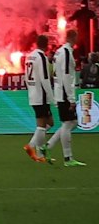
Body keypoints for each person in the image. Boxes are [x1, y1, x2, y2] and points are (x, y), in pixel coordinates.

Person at [51, 35, 85, 166]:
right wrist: (71, 98)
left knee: (73, 122)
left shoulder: (60, 51)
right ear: (74, 38)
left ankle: (48, 146)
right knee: (68, 123)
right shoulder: (65, 52)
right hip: (64, 93)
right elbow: (66, 75)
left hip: (61, 91)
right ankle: (67, 158)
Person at [24, 34, 55, 163]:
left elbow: (26, 76)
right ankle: (31, 147)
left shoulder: (29, 56)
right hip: (41, 95)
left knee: (49, 123)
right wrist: (52, 97)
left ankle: (39, 153)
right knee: (42, 125)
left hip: (33, 93)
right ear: (46, 45)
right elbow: (45, 79)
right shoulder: (41, 57)